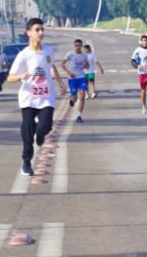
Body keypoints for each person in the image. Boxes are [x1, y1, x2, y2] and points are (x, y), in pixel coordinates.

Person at [7, 18, 65, 177]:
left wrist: (60, 81)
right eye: (37, 30)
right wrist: (21, 76)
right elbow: (9, 77)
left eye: (42, 29)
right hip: (28, 98)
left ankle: (40, 135)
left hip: (46, 96)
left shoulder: (49, 50)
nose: (41, 32)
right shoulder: (23, 55)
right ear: (29, 33)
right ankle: (26, 162)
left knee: (45, 126)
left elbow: (51, 66)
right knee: (27, 131)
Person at [62, 39, 90, 123]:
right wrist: (68, 72)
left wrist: (86, 65)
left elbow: (87, 66)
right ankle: (72, 100)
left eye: (79, 46)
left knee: (82, 95)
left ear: (81, 46)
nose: (78, 47)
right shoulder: (70, 54)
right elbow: (62, 64)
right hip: (72, 79)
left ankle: (79, 115)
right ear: (74, 46)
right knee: (74, 97)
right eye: (76, 45)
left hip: (81, 77)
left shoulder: (84, 56)